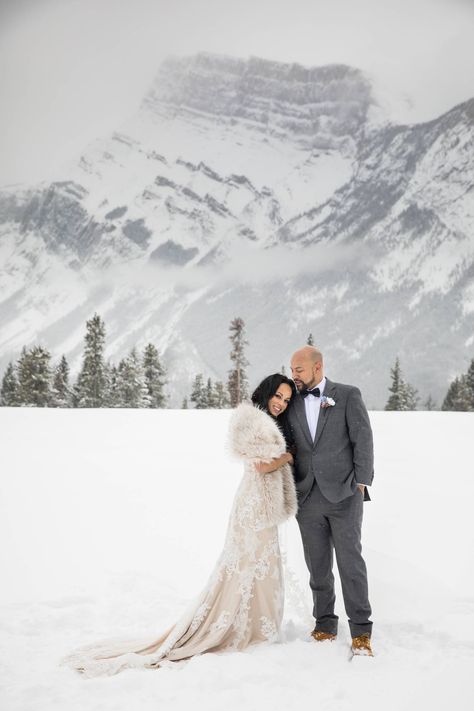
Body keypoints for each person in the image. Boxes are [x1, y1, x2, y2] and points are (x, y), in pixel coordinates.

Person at [62, 374, 298, 677]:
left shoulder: (268, 422)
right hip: (252, 506)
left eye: (286, 400)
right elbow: (262, 464)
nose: (280, 403)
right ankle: (237, 627)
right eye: (277, 396)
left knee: (262, 565)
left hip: (261, 504)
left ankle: (258, 624)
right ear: (266, 393)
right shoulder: (251, 420)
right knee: (244, 565)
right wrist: (288, 456)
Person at [287, 346, 374, 657]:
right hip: (307, 498)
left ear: (318, 367)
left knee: (351, 563)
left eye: (298, 369)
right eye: (292, 369)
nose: (293, 375)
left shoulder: (348, 395)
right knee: (318, 567)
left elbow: (362, 439)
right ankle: (324, 624)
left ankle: (361, 631)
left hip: (345, 495)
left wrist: (361, 483)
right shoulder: (291, 401)